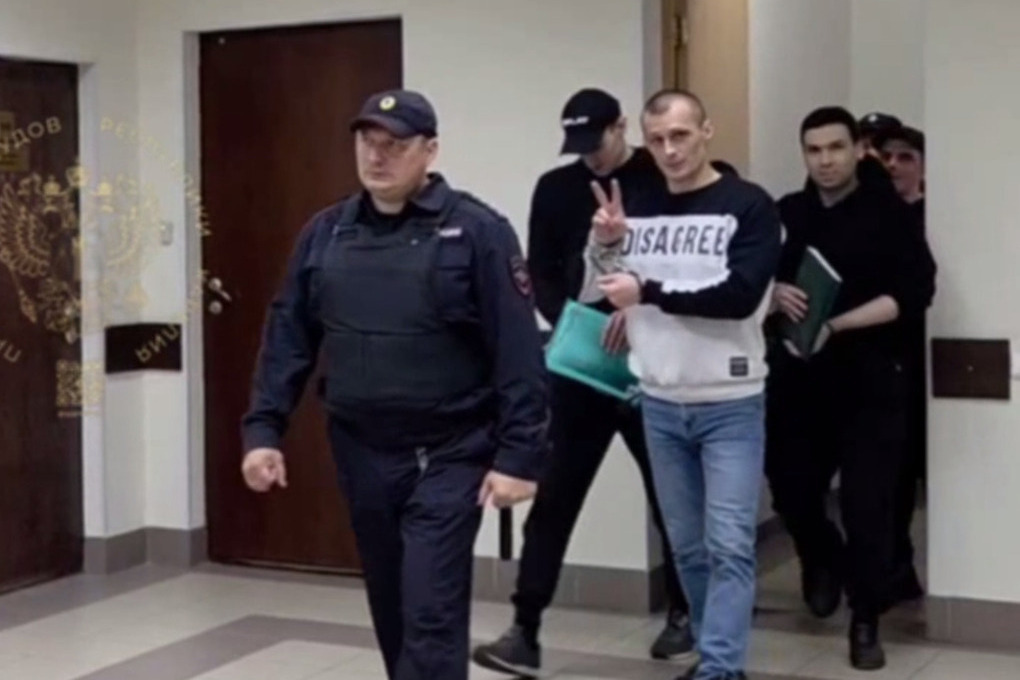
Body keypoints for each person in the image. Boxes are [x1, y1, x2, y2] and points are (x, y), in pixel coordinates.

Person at [238, 88, 550, 680]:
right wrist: (263, 431)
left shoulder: (477, 231)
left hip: (451, 449)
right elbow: (288, 338)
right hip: (362, 449)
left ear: (429, 151)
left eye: (395, 145)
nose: (377, 156)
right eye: (367, 142)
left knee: (431, 608)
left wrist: (520, 457)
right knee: (392, 606)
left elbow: (517, 350)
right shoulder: (327, 233)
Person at [471, 88, 694, 679]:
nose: (591, 155)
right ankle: (525, 629)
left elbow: (679, 268)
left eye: (598, 141)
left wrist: (637, 310)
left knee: (671, 496)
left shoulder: (659, 178)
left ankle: (684, 613)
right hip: (580, 365)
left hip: (653, 361)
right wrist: (578, 319)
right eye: (580, 146)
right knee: (554, 497)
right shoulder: (555, 188)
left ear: (622, 128)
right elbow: (539, 272)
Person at [579, 88, 783, 680]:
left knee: (730, 544)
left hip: (731, 403)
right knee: (688, 547)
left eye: (680, 135)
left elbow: (739, 296)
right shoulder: (637, 204)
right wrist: (606, 245)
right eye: (657, 140)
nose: (669, 150)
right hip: (660, 403)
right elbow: (598, 289)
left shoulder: (748, 205)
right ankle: (714, 653)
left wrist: (648, 293)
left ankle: (720, 668)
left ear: (706, 131)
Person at [764, 106, 936, 671]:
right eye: (814, 150)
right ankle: (821, 558)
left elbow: (912, 294)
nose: (825, 161)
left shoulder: (889, 214)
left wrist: (838, 325)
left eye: (836, 148)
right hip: (798, 381)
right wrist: (774, 292)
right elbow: (753, 277)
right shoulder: (789, 213)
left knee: (868, 507)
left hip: (870, 381)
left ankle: (865, 621)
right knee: (791, 489)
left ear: (858, 149)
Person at [875, 124, 931, 604]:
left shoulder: (936, 216)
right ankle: (894, 568)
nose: (893, 165)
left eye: (905, 156)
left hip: (923, 357)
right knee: (889, 474)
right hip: (878, 359)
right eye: (885, 156)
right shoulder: (873, 217)